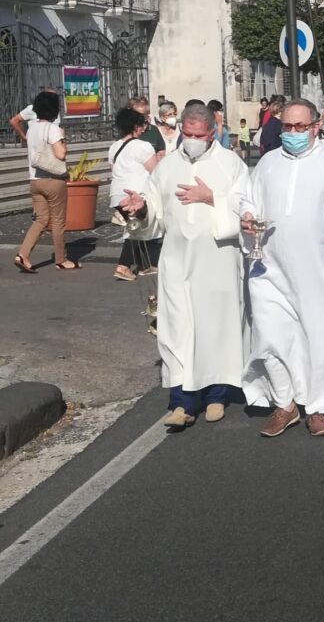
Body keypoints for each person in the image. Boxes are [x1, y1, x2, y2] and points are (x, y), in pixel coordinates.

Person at [241, 98, 324, 438]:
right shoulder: (269, 163)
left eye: (300, 126)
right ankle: (284, 404)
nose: (292, 132)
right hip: (269, 269)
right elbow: (248, 199)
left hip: (319, 270)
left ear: (316, 127)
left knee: (319, 338)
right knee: (271, 336)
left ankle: (317, 406)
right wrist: (246, 216)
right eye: (286, 126)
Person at [118, 103, 249, 428]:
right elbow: (154, 208)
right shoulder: (167, 166)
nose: (192, 141)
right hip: (176, 259)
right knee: (178, 329)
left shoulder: (230, 163)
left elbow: (247, 205)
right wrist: (140, 208)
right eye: (187, 134)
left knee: (216, 327)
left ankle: (217, 395)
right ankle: (182, 402)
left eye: (199, 136)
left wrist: (212, 197)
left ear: (212, 133)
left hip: (218, 259)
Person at [15, 91, 79, 273]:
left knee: (40, 219)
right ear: (54, 110)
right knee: (58, 221)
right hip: (53, 180)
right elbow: (60, 154)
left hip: (35, 180)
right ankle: (61, 260)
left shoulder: (32, 129)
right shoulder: (52, 129)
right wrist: (63, 140)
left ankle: (23, 254)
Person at [109, 107, 162, 281]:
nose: (143, 129)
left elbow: (113, 169)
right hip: (135, 194)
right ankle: (123, 266)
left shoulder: (114, 146)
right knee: (136, 229)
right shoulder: (143, 146)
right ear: (135, 126)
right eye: (141, 125)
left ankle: (144, 265)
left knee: (138, 228)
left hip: (116, 193)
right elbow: (155, 171)